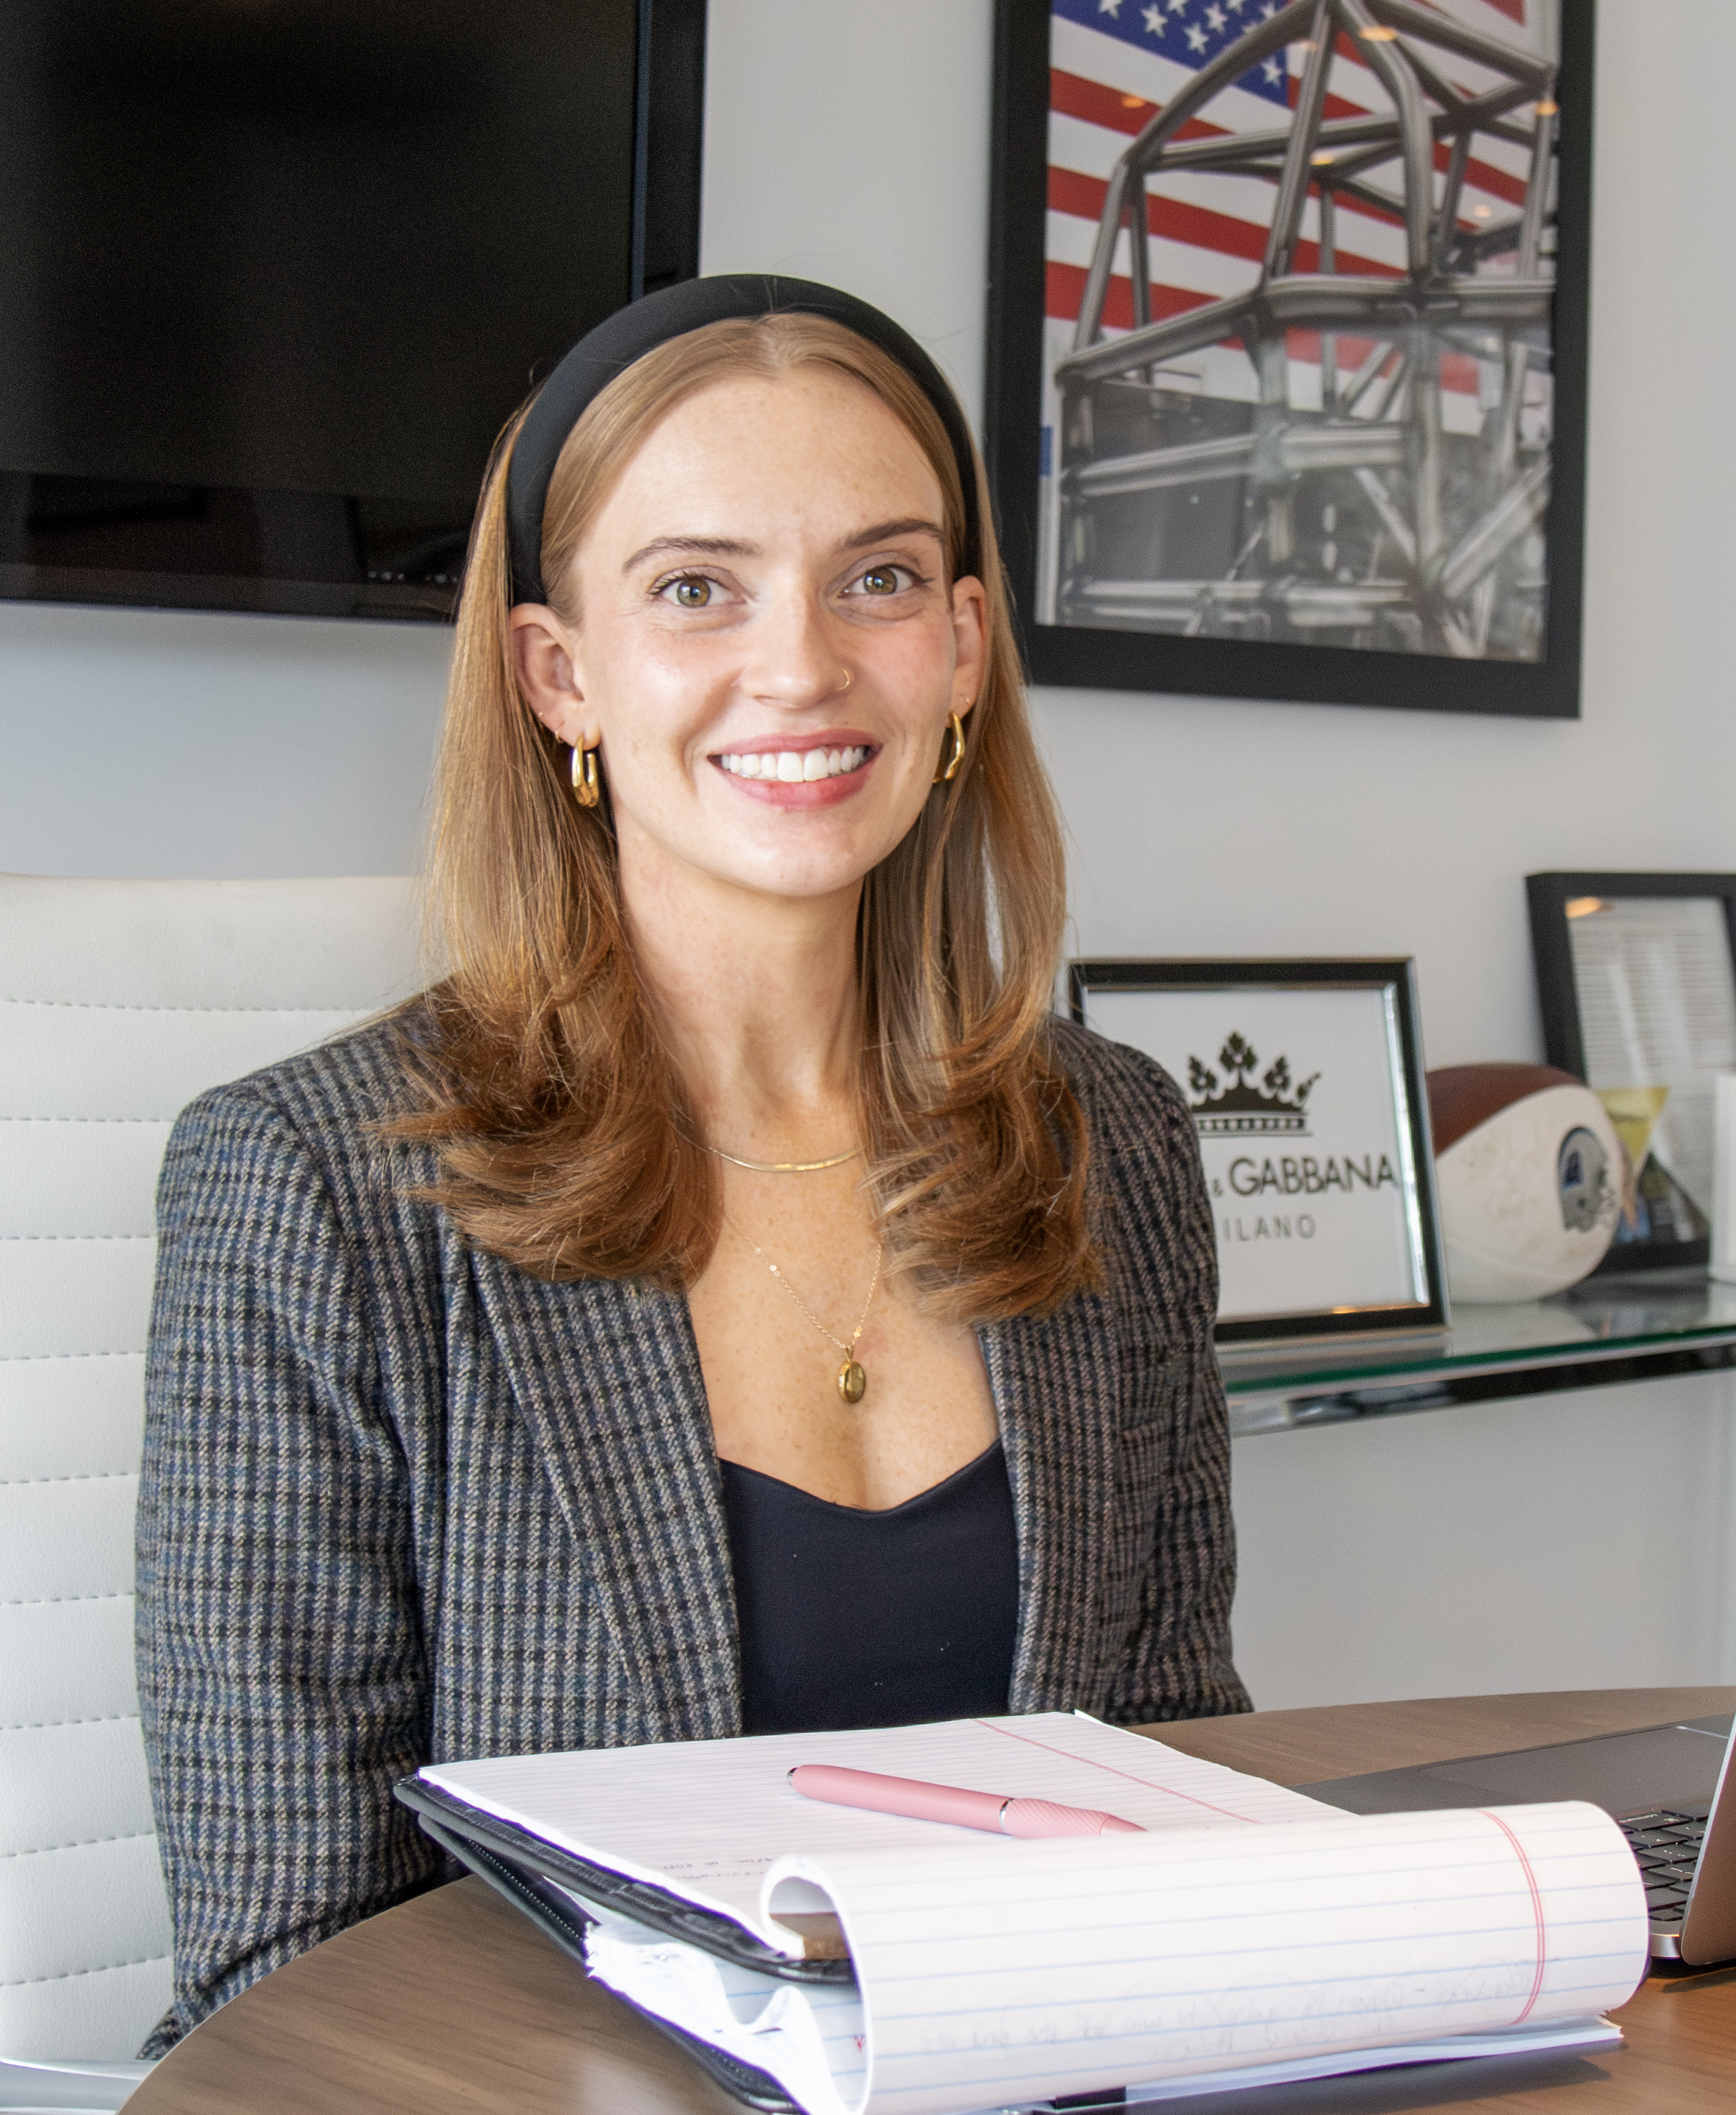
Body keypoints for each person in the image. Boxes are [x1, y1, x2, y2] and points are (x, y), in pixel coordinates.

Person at [133, 278, 1245, 2054]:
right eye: (696, 589)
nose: (800, 663)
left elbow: (1186, 1774)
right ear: (558, 672)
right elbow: (288, 1974)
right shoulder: (310, 1191)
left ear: (961, 648)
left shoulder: (1108, 1142)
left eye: (876, 579)